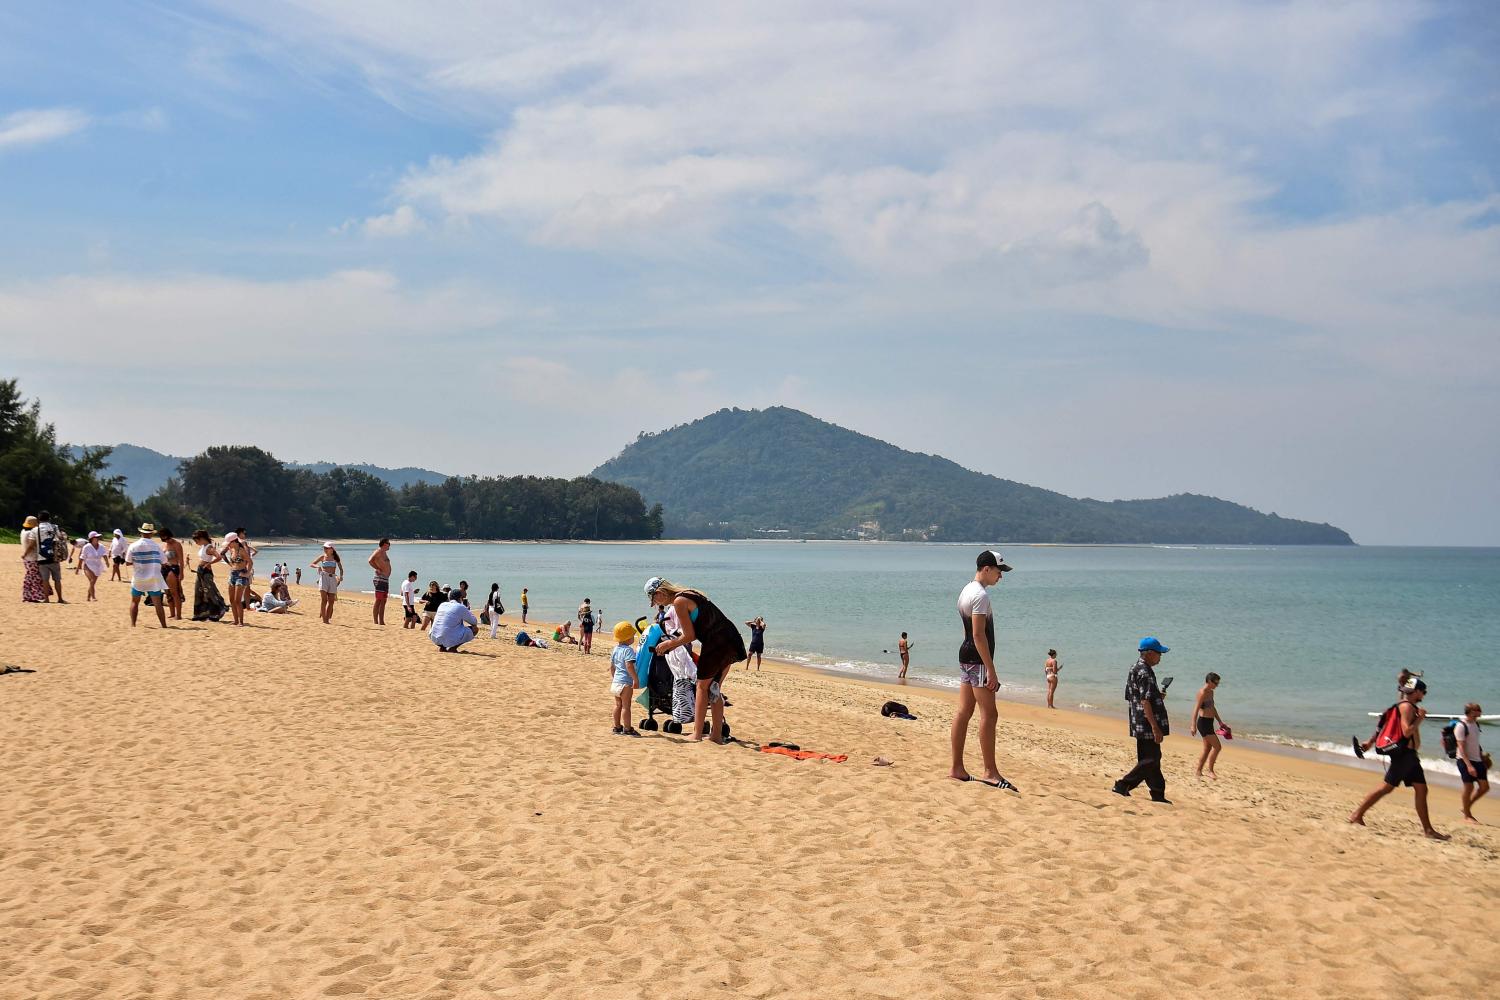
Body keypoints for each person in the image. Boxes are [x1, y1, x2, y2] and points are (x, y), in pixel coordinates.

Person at [647, 577, 746, 744]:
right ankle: (715, 735)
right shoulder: (690, 593)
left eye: (653, 599)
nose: (655, 604)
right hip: (731, 639)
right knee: (714, 687)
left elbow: (689, 636)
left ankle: (697, 734)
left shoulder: (679, 601)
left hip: (717, 642)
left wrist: (669, 644)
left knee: (702, 686)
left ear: (660, 593)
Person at [1348, 678, 1449, 840]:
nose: (1424, 695)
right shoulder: (1408, 707)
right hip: (1404, 756)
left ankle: (1428, 830)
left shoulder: (1401, 705)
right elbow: (1407, 731)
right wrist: (1421, 718)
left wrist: (1370, 742)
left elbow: (1383, 725)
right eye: (1423, 692)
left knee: (1421, 789)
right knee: (1386, 787)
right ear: (1416, 692)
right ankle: (1356, 814)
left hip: (1410, 756)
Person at [950, 550, 1014, 789]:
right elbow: (978, 635)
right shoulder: (981, 595)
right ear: (986, 569)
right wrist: (991, 670)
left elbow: (971, 634)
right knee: (990, 714)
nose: (1001, 576)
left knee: (964, 710)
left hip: (966, 655)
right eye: (999, 571)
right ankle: (991, 772)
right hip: (977, 659)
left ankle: (957, 767)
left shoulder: (966, 590)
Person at [1112, 637, 1173, 803]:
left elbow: (1133, 695)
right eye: (1159, 654)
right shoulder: (1144, 672)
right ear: (1150, 654)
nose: (1161, 657)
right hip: (1146, 722)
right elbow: (1144, 701)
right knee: (1151, 759)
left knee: (1151, 759)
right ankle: (1123, 785)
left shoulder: (1136, 668)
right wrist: (1155, 727)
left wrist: (1156, 696)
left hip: (1139, 720)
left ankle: (1158, 793)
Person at [125, 523, 169, 628]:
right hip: (153, 578)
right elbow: (164, 561)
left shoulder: (133, 545)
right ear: (151, 534)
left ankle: (133, 624)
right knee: (157, 603)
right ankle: (163, 625)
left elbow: (127, 562)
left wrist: (137, 562)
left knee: (135, 601)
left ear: (141, 533)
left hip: (139, 577)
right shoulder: (156, 546)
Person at [1455, 702, 1489, 825]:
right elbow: (1461, 747)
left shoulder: (1475, 723)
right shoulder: (1461, 726)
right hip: (1464, 760)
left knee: (1485, 787)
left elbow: (1475, 743)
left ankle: (1466, 807)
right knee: (1469, 787)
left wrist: (1482, 757)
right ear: (1470, 712)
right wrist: (1469, 765)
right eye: (1477, 712)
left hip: (1477, 760)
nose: (1479, 714)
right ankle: (1467, 815)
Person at [1191, 672, 1228, 779]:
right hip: (1203, 723)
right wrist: (1193, 725)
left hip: (1209, 722)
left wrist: (1220, 722)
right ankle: (1210, 771)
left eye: (1218, 683)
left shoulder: (1211, 692)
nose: (1217, 685)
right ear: (1210, 681)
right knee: (1217, 747)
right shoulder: (1202, 693)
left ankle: (1198, 771)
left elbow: (1212, 708)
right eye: (1216, 683)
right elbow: (1196, 709)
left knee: (1207, 748)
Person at [610, 621, 641, 736]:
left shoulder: (615, 650)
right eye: (632, 636)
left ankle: (617, 727)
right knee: (626, 706)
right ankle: (627, 728)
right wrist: (635, 679)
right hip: (625, 683)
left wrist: (614, 678)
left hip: (616, 682)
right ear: (628, 638)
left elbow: (612, 667)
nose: (633, 638)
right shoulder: (628, 651)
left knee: (618, 705)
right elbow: (629, 665)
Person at [190, 530, 228, 622]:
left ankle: (216, 612)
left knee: (210, 591)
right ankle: (201, 613)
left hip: (206, 571)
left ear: (202, 539)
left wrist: (209, 564)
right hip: (200, 570)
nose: (196, 543)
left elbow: (219, 557)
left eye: (197, 540)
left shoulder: (209, 547)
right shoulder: (203, 546)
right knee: (199, 591)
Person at [33, 510, 66, 603]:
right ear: (49, 518)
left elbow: (33, 542)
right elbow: (60, 538)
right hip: (54, 557)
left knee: (45, 580)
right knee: (57, 579)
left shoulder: (36, 529)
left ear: (39, 519)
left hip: (41, 558)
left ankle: (46, 599)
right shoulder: (55, 527)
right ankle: (60, 598)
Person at [221, 532, 253, 627]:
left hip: (241, 575)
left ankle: (241, 622)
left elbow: (250, 562)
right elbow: (222, 554)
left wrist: (247, 574)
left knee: (237, 600)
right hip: (232, 574)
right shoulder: (231, 549)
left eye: (229, 542)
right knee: (231, 600)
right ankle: (235, 620)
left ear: (234, 541)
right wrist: (230, 565)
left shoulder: (241, 550)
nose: (228, 544)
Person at [311, 542, 343, 624]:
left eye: (327, 548)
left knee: (331, 601)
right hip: (324, 577)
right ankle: (324, 620)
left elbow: (341, 568)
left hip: (332, 578)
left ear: (332, 549)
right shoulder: (322, 557)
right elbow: (312, 564)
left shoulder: (335, 558)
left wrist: (340, 577)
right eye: (324, 548)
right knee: (324, 600)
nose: (325, 549)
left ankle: (327, 619)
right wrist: (318, 566)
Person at [157, 527, 185, 620]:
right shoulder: (164, 545)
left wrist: (181, 573)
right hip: (164, 569)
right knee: (167, 592)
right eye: (163, 538)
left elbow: (181, 560)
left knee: (175, 592)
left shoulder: (177, 544)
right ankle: (172, 613)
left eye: (166, 538)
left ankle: (178, 615)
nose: (165, 540)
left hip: (173, 568)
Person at [19, 515, 47, 603]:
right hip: (32, 558)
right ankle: (35, 596)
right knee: (35, 577)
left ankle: (27, 595)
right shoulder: (31, 533)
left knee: (29, 577)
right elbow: (31, 546)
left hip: (27, 559)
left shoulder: (23, 532)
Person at [77, 531, 109, 601]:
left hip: (97, 566)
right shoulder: (86, 547)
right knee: (92, 580)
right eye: (96, 537)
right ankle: (93, 597)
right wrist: (78, 568)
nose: (98, 538)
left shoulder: (101, 546)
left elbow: (104, 555)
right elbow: (82, 557)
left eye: (98, 537)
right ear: (92, 538)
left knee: (92, 582)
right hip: (88, 565)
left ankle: (88, 597)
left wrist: (107, 562)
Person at [368, 538, 392, 625]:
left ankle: (381, 621)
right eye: (388, 543)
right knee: (379, 599)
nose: (390, 545)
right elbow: (370, 560)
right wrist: (377, 568)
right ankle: (376, 620)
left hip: (385, 579)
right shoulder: (379, 551)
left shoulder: (384, 552)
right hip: (380, 578)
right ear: (384, 544)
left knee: (384, 600)